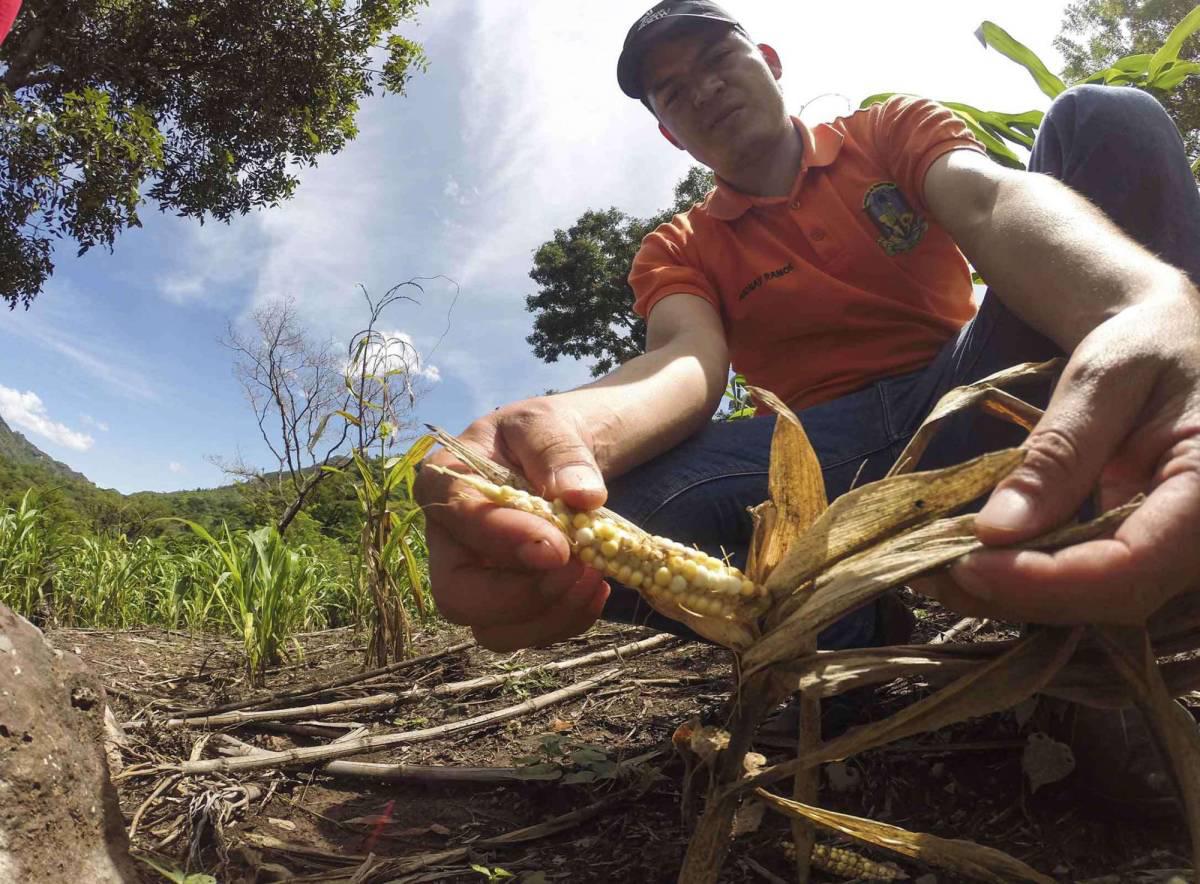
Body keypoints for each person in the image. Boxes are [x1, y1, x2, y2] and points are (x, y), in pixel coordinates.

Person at [415, 2, 1200, 804]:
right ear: (669, 134)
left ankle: (1098, 644)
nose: (703, 89)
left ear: (770, 60)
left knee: (1107, 119)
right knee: (587, 522)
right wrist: (567, 428)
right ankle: (839, 636)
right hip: (821, 456)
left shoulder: (884, 134)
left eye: (716, 59)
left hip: (970, 392)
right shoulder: (679, 245)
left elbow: (989, 201)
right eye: (673, 91)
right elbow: (685, 359)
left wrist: (1142, 302)